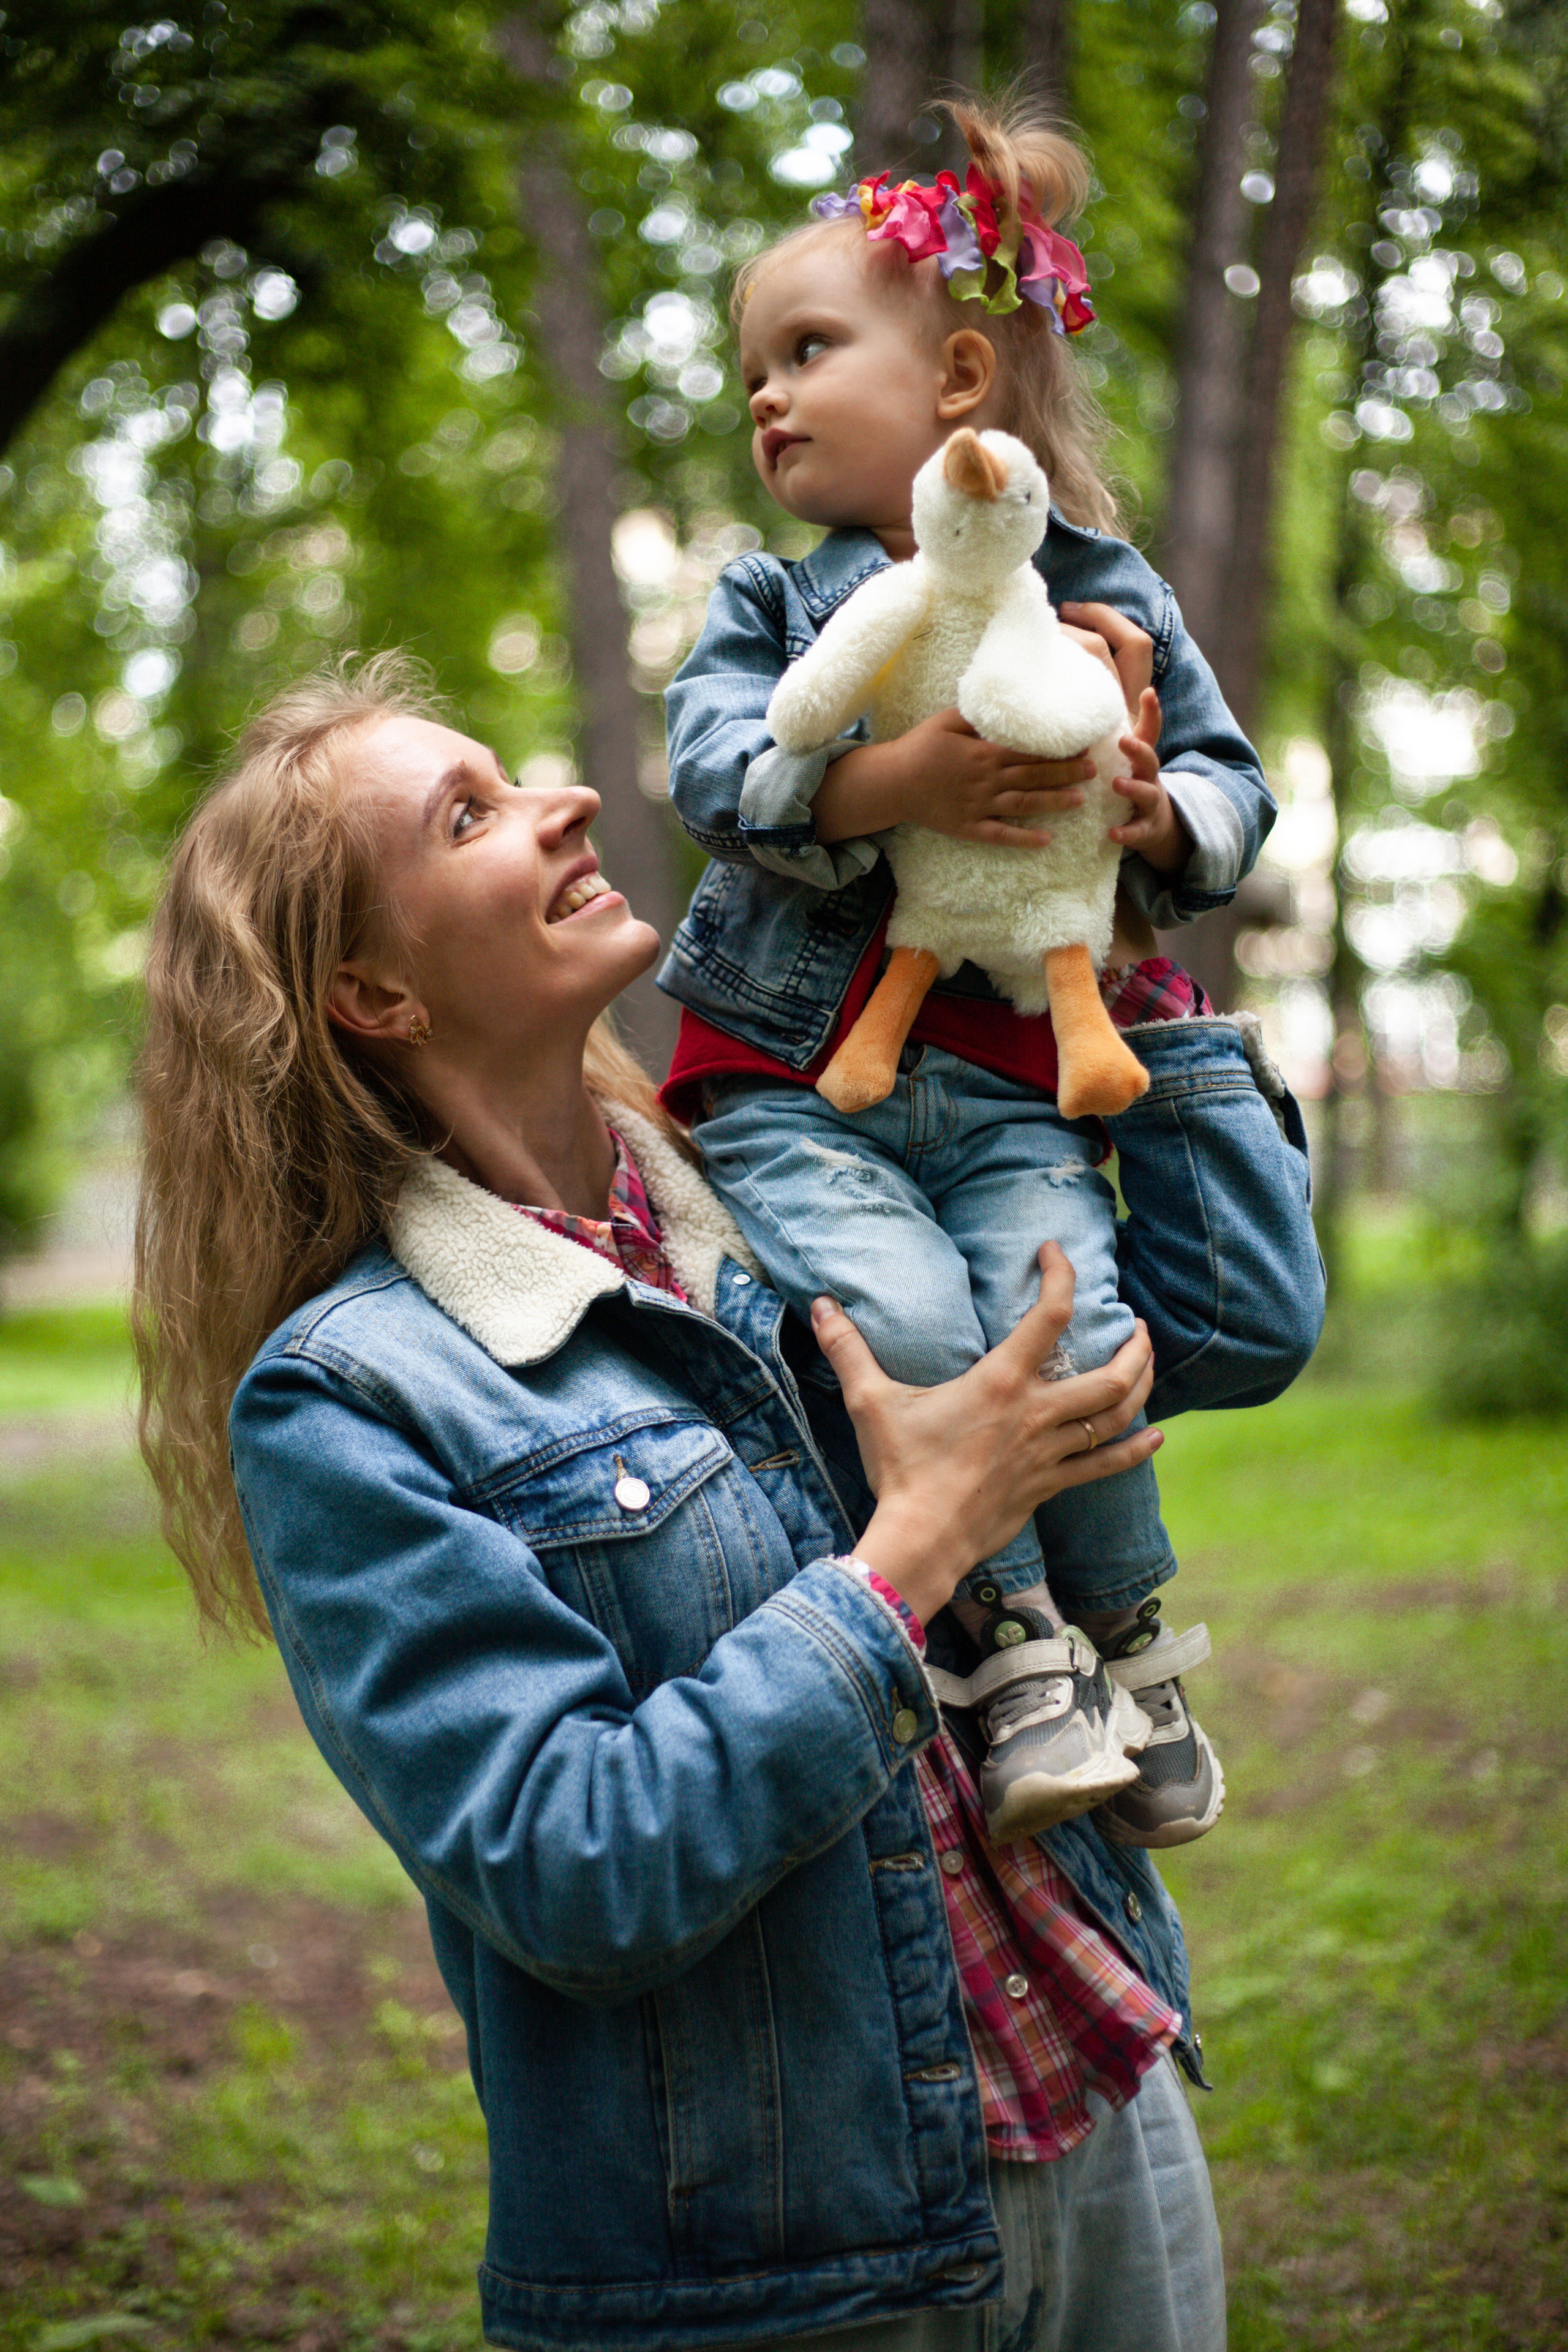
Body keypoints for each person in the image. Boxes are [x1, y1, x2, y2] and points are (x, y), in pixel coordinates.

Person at [135, 656, 1227, 2352]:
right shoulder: (352, 1399)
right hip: (793, 2277)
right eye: (472, 814)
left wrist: (1122, 895)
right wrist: (911, 1551)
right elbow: (573, 1868)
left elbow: (1215, 1330)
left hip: (1103, 2091)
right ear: (375, 994)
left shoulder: (795, 1208)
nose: (566, 799)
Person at [658, 95, 1325, 1847]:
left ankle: (1131, 1645)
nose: (766, 394)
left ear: (960, 377)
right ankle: (1012, 1645)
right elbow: (722, 776)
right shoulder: (771, 603)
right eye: (754, 370)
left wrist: (1156, 814)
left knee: (1081, 1340)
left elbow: (1241, 793)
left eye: (808, 349)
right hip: (802, 1076)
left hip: (1027, 1077)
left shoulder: (1113, 598)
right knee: (923, 1322)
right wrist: (901, 783)